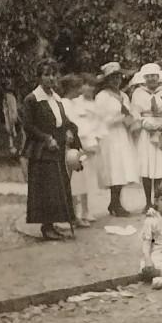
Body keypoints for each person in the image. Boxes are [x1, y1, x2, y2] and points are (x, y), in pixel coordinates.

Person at [20, 59, 80, 241]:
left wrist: (70, 130)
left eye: (53, 74)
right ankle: (46, 228)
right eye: (46, 74)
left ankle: (54, 224)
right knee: (46, 190)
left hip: (58, 149)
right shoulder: (32, 99)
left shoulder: (56, 98)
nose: (50, 78)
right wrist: (46, 138)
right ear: (39, 77)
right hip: (42, 152)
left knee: (58, 188)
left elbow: (64, 121)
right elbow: (28, 126)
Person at [93, 62, 139, 217]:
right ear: (107, 80)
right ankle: (115, 203)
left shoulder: (124, 96)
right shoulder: (102, 97)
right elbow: (99, 119)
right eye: (112, 78)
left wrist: (130, 119)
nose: (116, 80)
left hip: (123, 133)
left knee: (123, 168)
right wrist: (116, 118)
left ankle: (115, 202)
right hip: (110, 135)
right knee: (114, 168)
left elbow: (130, 112)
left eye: (118, 77)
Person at [129, 62, 162, 215]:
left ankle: (158, 201)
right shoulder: (138, 93)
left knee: (160, 167)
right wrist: (144, 123)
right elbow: (134, 112)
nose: (151, 79)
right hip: (145, 132)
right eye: (148, 77)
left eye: (154, 76)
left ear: (158, 77)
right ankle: (148, 201)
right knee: (147, 167)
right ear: (144, 78)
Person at [59, 73, 100, 227]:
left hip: (83, 144)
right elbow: (69, 126)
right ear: (71, 89)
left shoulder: (77, 104)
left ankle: (82, 212)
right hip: (72, 146)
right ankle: (70, 215)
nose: (81, 91)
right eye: (78, 88)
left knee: (83, 180)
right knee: (72, 181)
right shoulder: (63, 103)